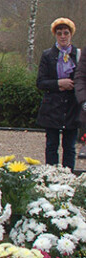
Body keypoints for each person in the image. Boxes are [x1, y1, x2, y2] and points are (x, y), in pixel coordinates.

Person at [40, 18, 80, 171]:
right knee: (51, 146)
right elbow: (41, 82)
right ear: (55, 35)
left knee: (69, 147)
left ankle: (68, 178)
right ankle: (51, 177)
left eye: (65, 33)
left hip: (71, 107)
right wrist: (58, 84)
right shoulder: (47, 55)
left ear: (71, 34)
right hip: (52, 108)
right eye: (59, 33)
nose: (63, 36)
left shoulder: (79, 56)